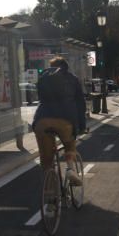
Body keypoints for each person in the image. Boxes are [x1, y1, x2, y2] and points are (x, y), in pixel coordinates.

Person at [33, 57, 86, 187]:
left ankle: (50, 197)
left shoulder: (43, 78)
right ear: (66, 66)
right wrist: (81, 126)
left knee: (46, 161)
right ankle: (70, 170)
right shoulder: (72, 79)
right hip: (65, 119)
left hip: (41, 120)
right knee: (69, 144)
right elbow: (80, 104)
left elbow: (40, 98)